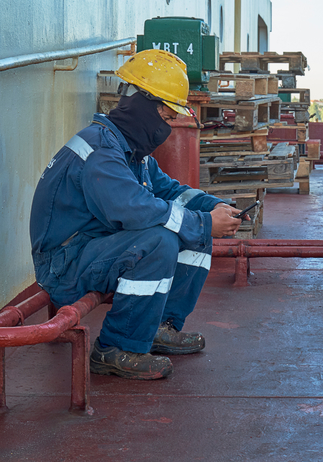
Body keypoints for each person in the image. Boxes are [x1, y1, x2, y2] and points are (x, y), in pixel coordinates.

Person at [29, 49, 244, 380]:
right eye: (167, 116)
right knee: (161, 238)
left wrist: (212, 207)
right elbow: (134, 211)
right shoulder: (102, 150)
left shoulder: (130, 151)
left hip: (93, 248)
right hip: (64, 265)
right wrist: (204, 223)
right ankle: (116, 349)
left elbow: (171, 192)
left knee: (191, 231)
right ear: (148, 106)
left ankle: (158, 326)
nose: (168, 126)